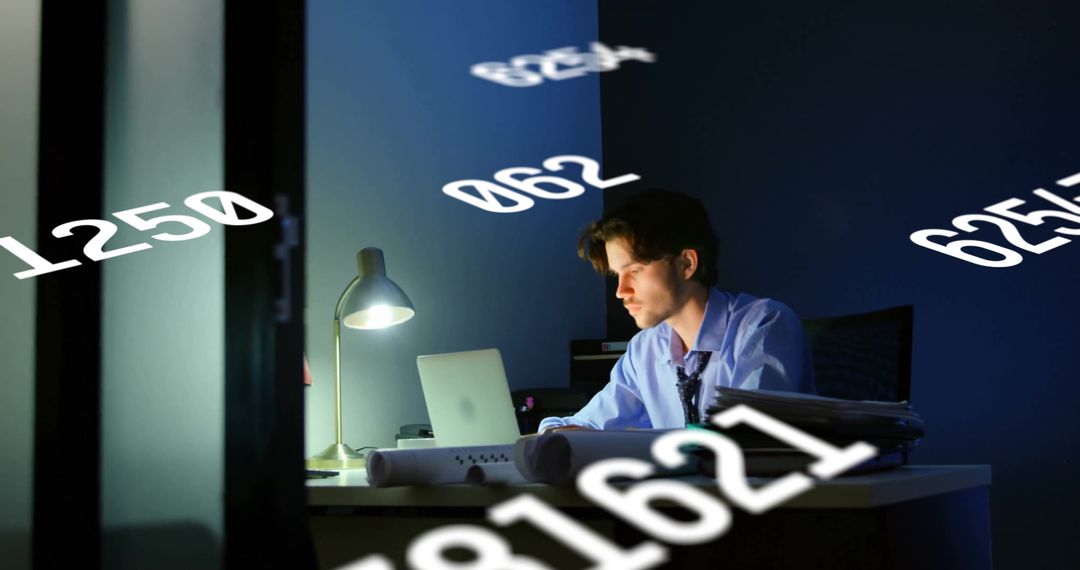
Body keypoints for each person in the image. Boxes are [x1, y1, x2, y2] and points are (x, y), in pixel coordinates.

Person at [538, 189, 815, 432]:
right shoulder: (645, 349)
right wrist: (556, 435)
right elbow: (581, 425)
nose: (621, 291)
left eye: (635, 270)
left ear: (686, 264)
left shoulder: (764, 323)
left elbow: (748, 437)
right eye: (617, 275)